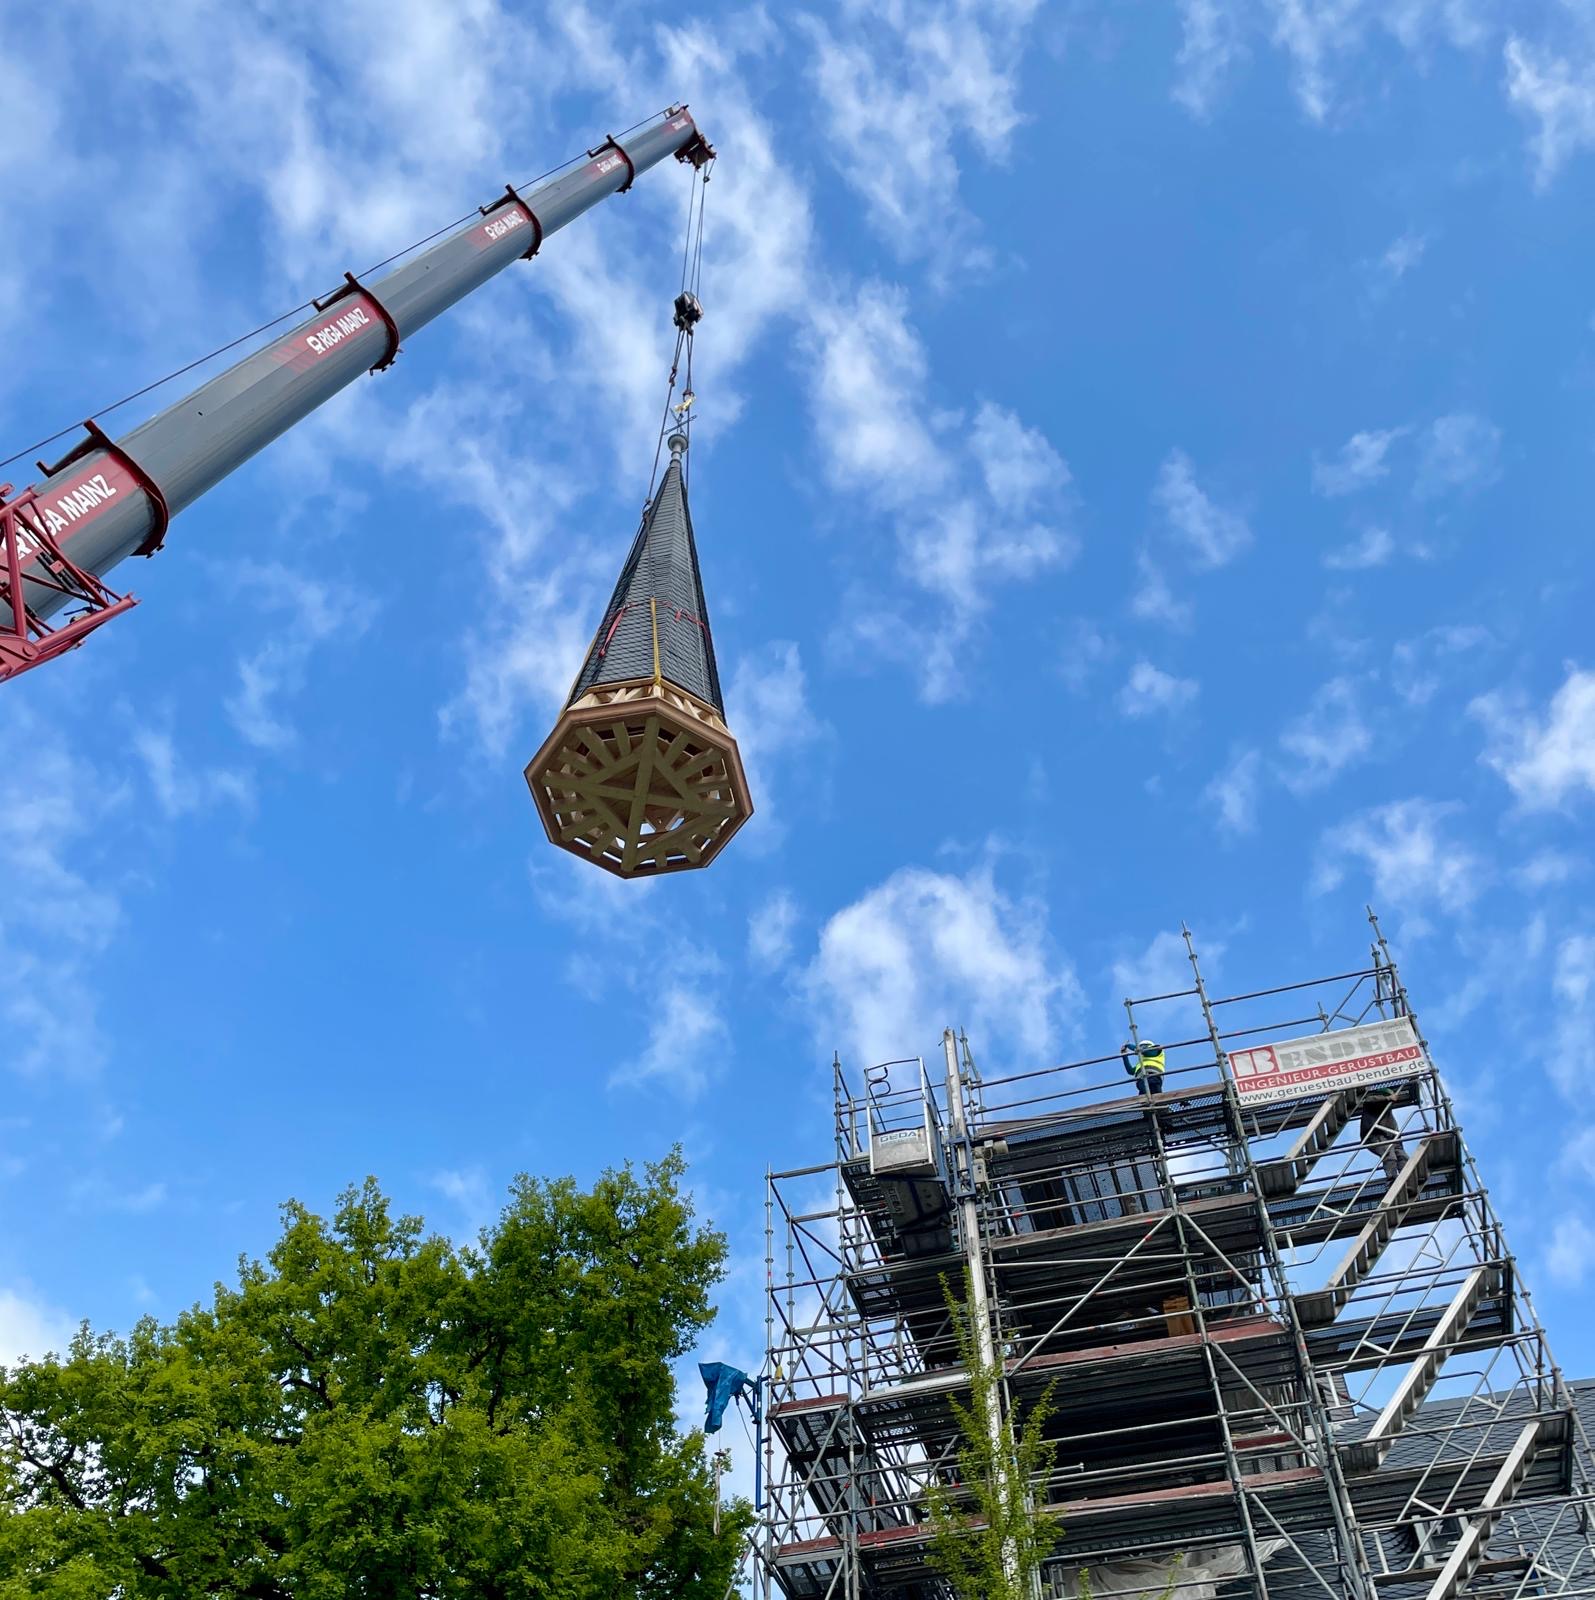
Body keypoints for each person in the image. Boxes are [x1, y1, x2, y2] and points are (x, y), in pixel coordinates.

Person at [1359, 1087, 1409, 1184]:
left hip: (1391, 1137)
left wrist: (1398, 1141)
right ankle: (1392, 1179)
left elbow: (1395, 1131)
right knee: (1390, 1155)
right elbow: (1369, 1100)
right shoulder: (1371, 1104)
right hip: (1374, 1136)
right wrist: (1388, 1098)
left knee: (1403, 1157)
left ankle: (1407, 1177)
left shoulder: (1388, 1114)